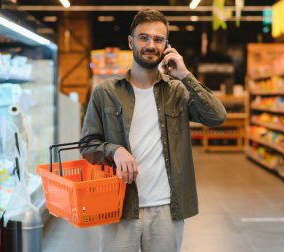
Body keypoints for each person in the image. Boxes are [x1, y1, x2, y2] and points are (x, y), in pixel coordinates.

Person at [80, 8, 227, 252]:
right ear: (131, 42)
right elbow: (87, 145)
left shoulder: (178, 91)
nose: (151, 45)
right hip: (120, 207)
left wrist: (185, 75)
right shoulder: (106, 92)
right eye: (144, 37)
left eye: (158, 39)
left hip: (167, 209)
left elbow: (217, 116)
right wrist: (114, 150)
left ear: (167, 46)